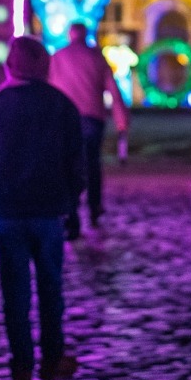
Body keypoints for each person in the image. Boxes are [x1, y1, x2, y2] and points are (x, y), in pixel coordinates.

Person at [0, 36, 85, 380]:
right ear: (45, 67)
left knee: (14, 296)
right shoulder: (61, 106)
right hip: (49, 210)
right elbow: (76, 163)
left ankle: (21, 372)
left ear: (9, 67)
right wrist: (73, 204)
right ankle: (52, 361)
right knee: (51, 290)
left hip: (7, 211)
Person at [49, 22, 130, 227]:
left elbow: (48, 88)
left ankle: (70, 210)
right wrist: (121, 119)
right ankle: (94, 206)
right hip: (92, 117)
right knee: (92, 163)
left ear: (70, 35)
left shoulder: (58, 58)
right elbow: (113, 90)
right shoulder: (96, 58)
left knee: (66, 164)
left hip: (64, 119)